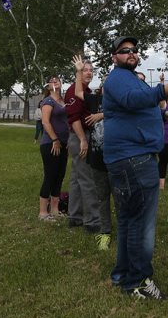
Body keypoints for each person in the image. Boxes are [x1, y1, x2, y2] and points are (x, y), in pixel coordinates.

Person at [103, 36, 168, 300]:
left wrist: (163, 114)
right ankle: (138, 281)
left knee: (128, 219)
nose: (131, 53)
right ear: (114, 57)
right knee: (142, 222)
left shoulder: (129, 78)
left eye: (134, 50)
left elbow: (132, 107)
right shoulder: (117, 78)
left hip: (130, 157)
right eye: (124, 50)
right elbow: (130, 100)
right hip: (134, 159)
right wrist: (164, 91)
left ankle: (122, 273)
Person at [72, 55, 112, 251]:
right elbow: (78, 91)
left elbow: (126, 111)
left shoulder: (119, 101)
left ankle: (123, 230)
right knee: (102, 196)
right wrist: (79, 71)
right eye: (106, 84)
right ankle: (105, 232)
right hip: (98, 159)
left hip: (116, 158)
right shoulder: (95, 99)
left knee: (120, 198)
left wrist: (101, 115)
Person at [64, 62, 101, 234]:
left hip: (81, 136)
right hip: (80, 136)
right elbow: (74, 118)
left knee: (76, 178)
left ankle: (75, 216)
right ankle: (93, 221)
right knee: (88, 179)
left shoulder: (87, 92)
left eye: (91, 70)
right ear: (78, 72)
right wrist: (82, 140)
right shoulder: (74, 90)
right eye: (85, 70)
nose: (89, 73)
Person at [38, 76, 69, 221]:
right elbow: (45, 122)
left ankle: (55, 209)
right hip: (50, 144)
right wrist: (55, 139)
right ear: (48, 86)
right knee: (50, 175)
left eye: (58, 80)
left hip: (64, 144)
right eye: (52, 80)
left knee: (59, 175)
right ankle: (43, 212)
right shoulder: (48, 101)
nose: (55, 81)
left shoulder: (63, 102)